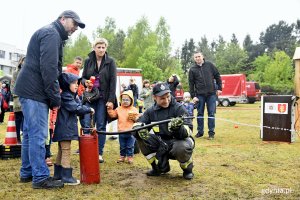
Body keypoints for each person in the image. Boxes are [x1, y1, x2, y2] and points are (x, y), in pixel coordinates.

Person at [14, 10, 85, 189]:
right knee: (38, 135)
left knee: (30, 134)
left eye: (78, 25)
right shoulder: (51, 34)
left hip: (30, 89)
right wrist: (56, 98)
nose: (75, 28)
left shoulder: (52, 34)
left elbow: (54, 70)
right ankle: (40, 177)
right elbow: (49, 69)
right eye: (74, 23)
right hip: (34, 91)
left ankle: (27, 172)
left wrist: (68, 81)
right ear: (62, 19)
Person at [133, 83, 195, 180]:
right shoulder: (150, 111)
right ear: (154, 97)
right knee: (141, 138)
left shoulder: (179, 108)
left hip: (180, 141)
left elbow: (189, 131)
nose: (166, 101)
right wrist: (139, 130)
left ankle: (187, 169)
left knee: (180, 147)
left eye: (168, 97)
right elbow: (139, 124)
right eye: (162, 98)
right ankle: (156, 168)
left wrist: (178, 128)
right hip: (162, 143)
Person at [52, 72, 94, 185]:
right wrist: (89, 110)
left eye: (77, 83)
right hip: (65, 128)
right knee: (66, 150)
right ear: (66, 85)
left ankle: (58, 174)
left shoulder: (71, 96)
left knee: (61, 150)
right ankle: (66, 176)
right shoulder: (66, 96)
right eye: (74, 83)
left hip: (64, 128)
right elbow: (76, 108)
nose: (77, 85)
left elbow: (79, 105)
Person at [81, 37, 117, 163]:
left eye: (103, 47)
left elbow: (113, 81)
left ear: (106, 48)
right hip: (90, 97)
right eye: (99, 47)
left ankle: (99, 153)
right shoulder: (88, 61)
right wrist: (86, 82)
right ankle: (87, 151)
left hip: (103, 98)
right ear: (94, 48)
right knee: (87, 124)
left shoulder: (110, 62)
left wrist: (111, 100)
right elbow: (83, 78)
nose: (101, 49)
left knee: (101, 125)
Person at [188, 52, 222, 140]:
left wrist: (219, 89)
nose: (197, 58)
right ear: (194, 59)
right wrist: (193, 96)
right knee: (200, 113)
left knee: (211, 113)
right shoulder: (192, 69)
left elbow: (217, 76)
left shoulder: (210, 65)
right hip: (199, 95)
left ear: (202, 57)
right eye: (196, 57)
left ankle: (211, 133)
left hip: (211, 94)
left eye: (199, 56)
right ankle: (200, 132)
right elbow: (191, 84)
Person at [107, 90, 139, 164]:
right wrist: (109, 109)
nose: (125, 101)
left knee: (130, 145)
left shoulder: (134, 109)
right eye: (123, 100)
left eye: (127, 100)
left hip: (131, 131)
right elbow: (113, 115)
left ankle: (130, 157)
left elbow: (138, 119)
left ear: (131, 100)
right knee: (122, 145)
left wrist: (135, 118)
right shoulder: (119, 109)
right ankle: (122, 156)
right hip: (121, 131)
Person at [10, 56, 25, 143]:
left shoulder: (29, 72)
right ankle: (18, 138)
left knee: (25, 119)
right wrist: (17, 95)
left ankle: (24, 137)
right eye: (23, 61)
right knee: (18, 119)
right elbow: (12, 86)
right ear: (20, 62)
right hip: (18, 99)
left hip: (27, 99)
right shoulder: (15, 73)